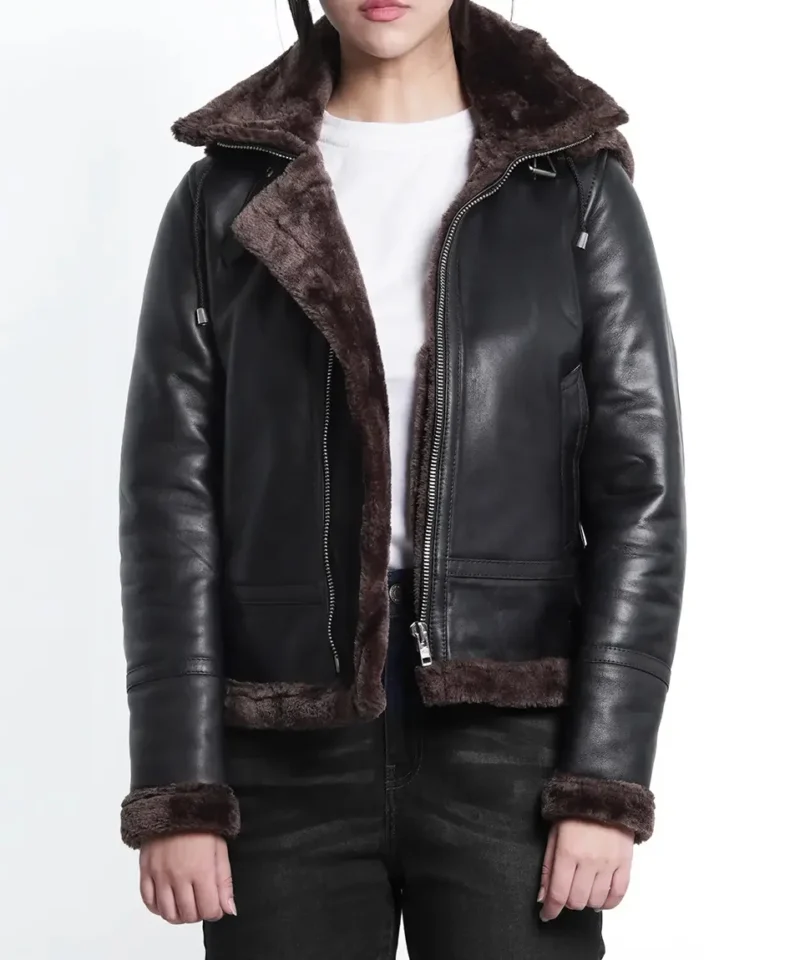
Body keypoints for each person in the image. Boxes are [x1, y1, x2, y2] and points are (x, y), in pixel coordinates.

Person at [118, 1, 686, 956]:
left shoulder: (573, 187)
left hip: (514, 746)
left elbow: (641, 497)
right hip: (281, 749)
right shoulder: (223, 195)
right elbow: (170, 501)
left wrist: (604, 777)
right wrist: (180, 784)